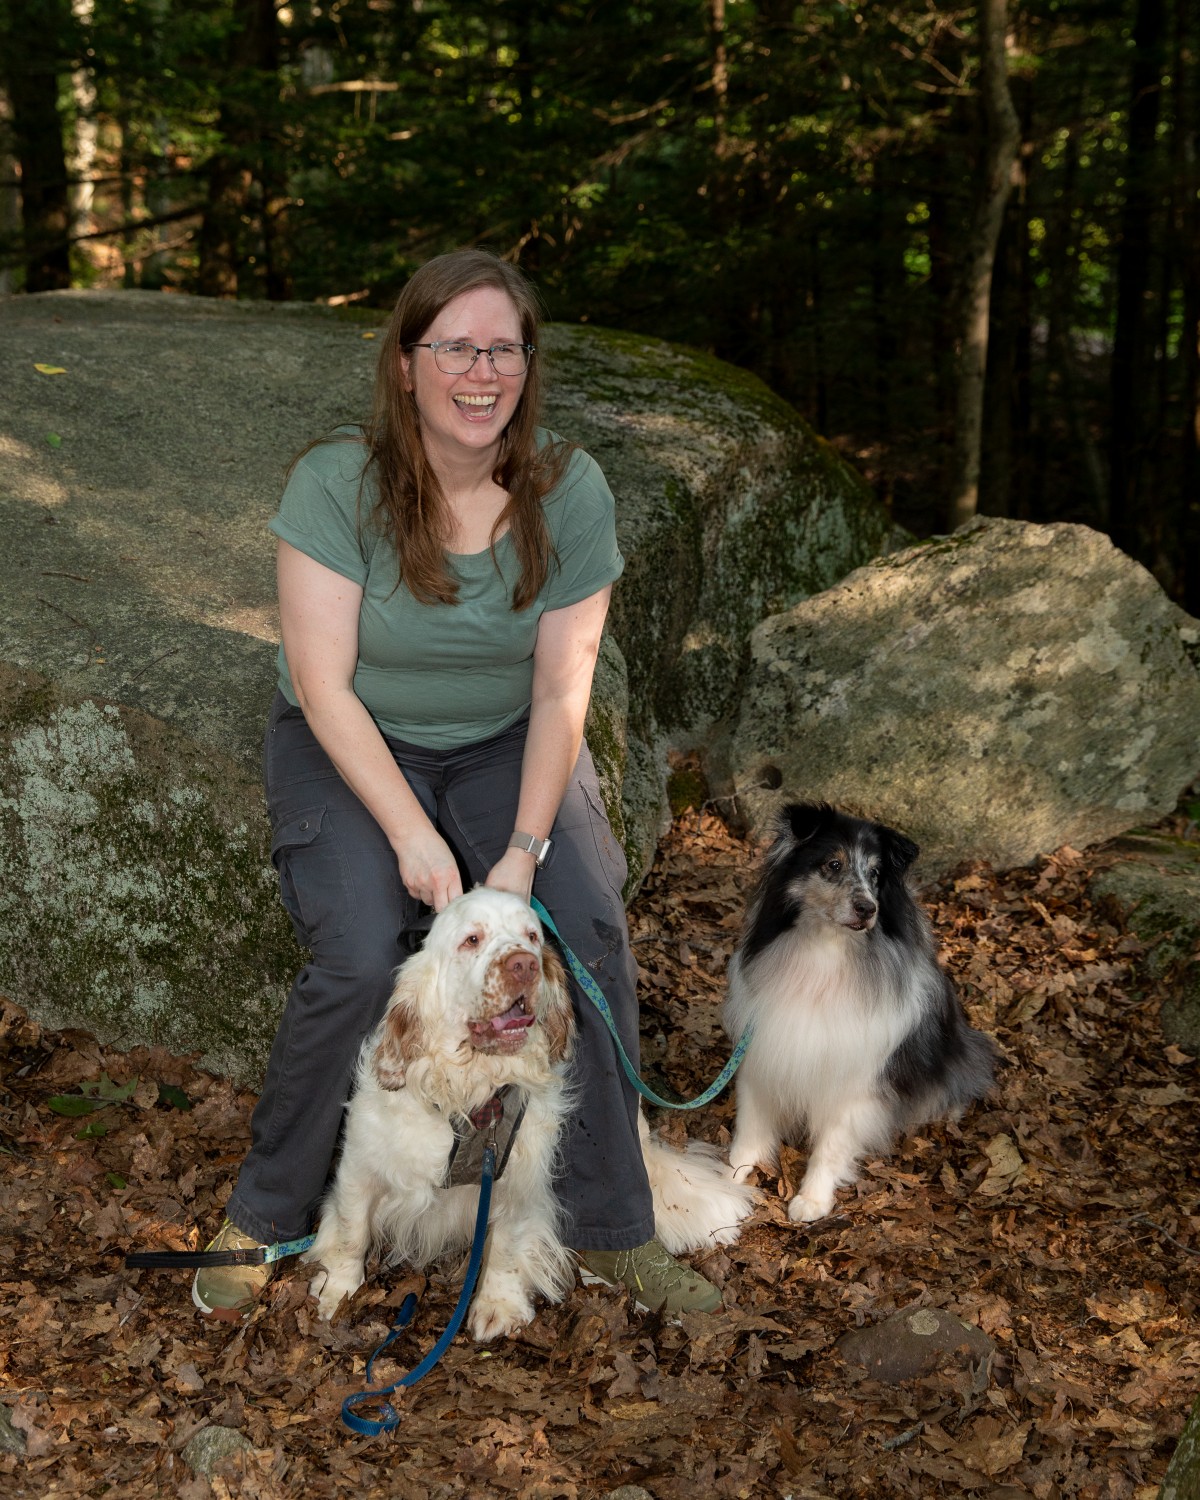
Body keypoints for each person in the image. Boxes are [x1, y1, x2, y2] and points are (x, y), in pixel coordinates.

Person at [193, 249, 723, 1319]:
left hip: (501, 745)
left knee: (587, 927)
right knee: (355, 948)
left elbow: (564, 690)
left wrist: (524, 853)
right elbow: (324, 683)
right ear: (406, 363)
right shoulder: (333, 482)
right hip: (348, 740)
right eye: (454, 347)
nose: (478, 371)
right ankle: (270, 1210)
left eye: (502, 348)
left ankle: (611, 1227)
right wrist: (410, 836)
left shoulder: (569, 494)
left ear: (527, 366)